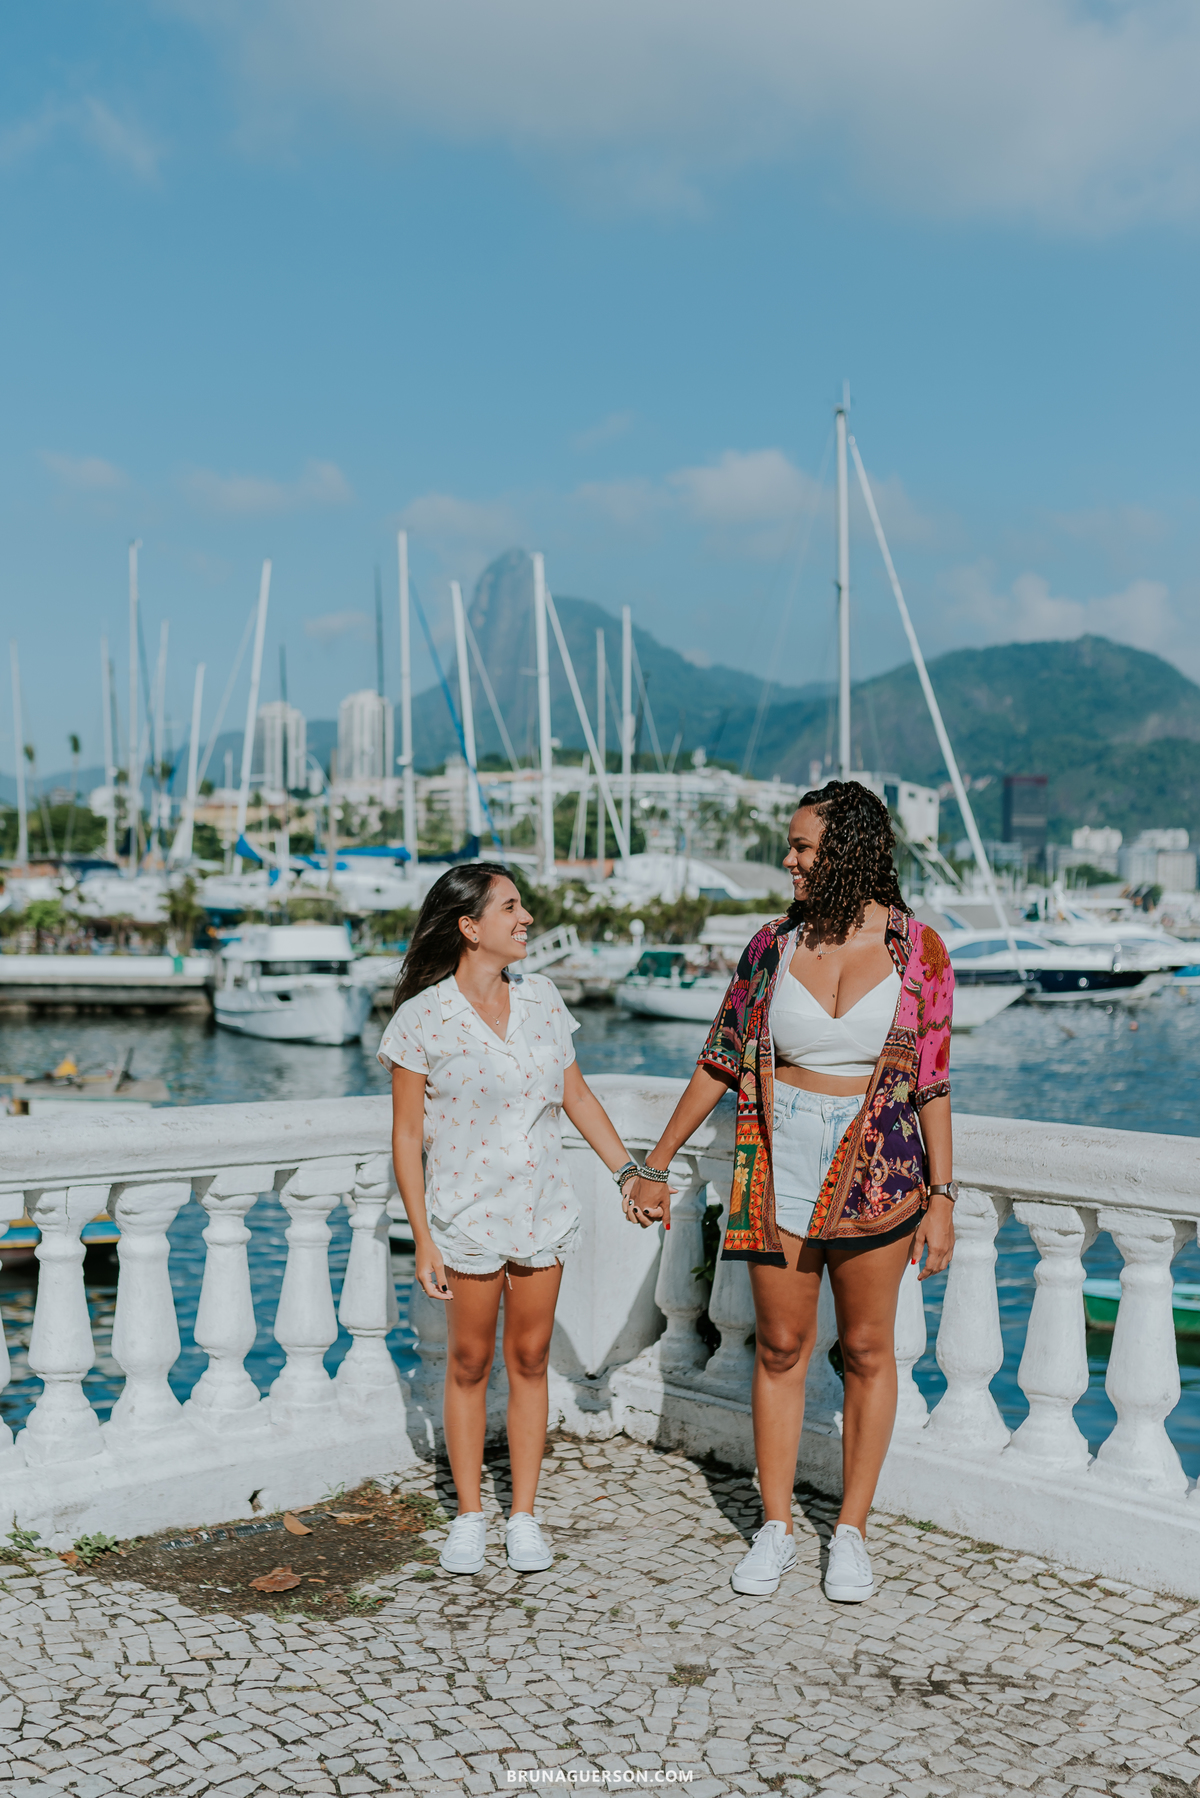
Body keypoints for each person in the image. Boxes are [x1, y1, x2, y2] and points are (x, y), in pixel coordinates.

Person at [625, 781, 955, 1604]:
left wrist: (943, 1195)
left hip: (881, 1166)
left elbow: (935, 1082)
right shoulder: (772, 945)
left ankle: (850, 1532)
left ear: (846, 849)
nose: (789, 860)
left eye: (803, 846)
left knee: (870, 1352)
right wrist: (658, 1160)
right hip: (776, 1160)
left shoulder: (922, 952)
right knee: (778, 1348)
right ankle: (774, 1526)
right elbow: (721, 1056)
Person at [381, 863, 643, 1578]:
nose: (526, 919)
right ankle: (470, 1516)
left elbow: (577, 1096)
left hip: (542, 1211)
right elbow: (407, 1137)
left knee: (529, 1363)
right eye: (511, 907)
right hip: (464, 1220)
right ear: (470, 927)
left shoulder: (544, 1000)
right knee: (467, 1365)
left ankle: (522, 1515)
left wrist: (630, 1172)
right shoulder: (421, 1019)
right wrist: (423, 1239)